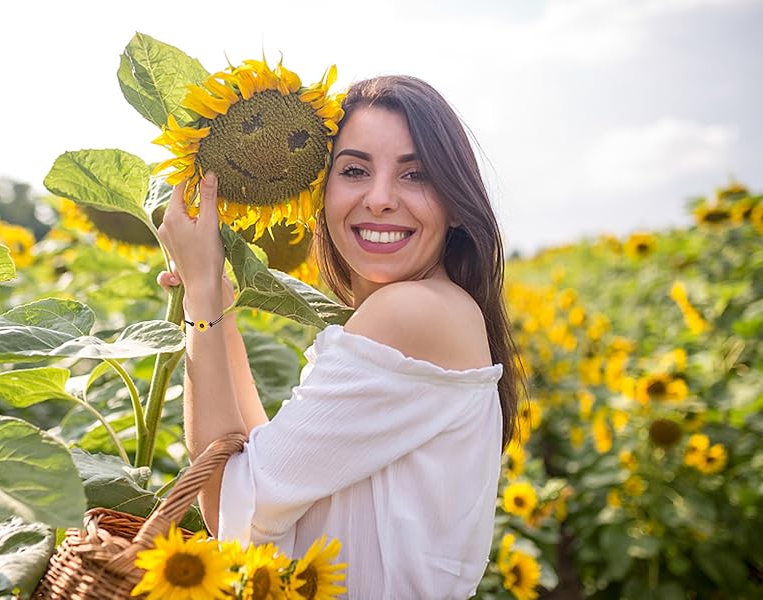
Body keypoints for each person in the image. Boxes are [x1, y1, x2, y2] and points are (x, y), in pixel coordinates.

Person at [156, 75, 522, 599]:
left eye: (415, 175)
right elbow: (273, 474)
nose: (379, 199)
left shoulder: (412, 313)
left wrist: (200, 299)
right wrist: (214, 295)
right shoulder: (437, 310)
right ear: (321, 194)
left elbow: (233, 510)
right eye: (354, 170)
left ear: (457, 203)